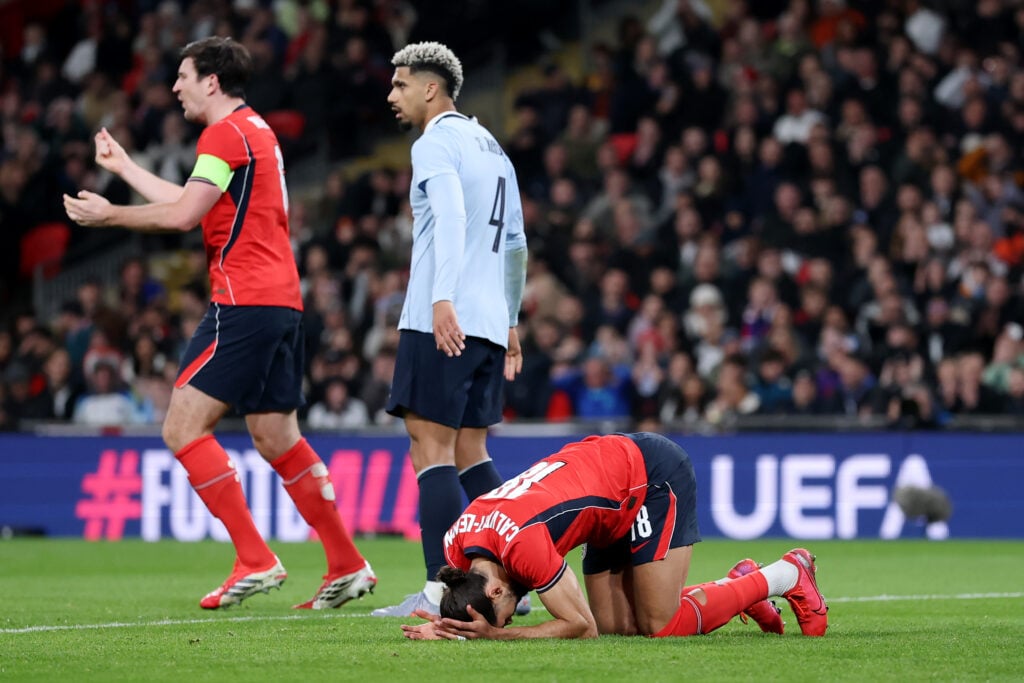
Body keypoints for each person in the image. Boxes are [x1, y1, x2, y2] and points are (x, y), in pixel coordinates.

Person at [63, 36, 375, 611]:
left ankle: (255, 559)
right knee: (277, 437)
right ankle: (347, 563)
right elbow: (195, 200)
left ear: (212, 81)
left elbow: (183, 216)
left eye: (182, 76)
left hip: (243, 301)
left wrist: (109, 215)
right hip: (283, 302)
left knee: (181, 428)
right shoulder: (254, 130)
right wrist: (126, 167)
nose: (174, 86)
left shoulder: (222, 133)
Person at [372, 42, 529, 617]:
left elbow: (454, 216)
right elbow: (515, 243)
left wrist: (441, 299)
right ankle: (509, 584)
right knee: (470, 449)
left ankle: (437, 595)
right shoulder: (494, 149)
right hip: (488, 322)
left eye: (400, 84)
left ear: (431, 88)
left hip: (445, 317)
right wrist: (510, 319)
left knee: (429, 448)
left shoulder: (435, 141)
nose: (392, 95)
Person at [401, 432, 828, 640]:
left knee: (661, 625)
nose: (515, 613)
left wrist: (498, 635)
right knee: (619, 626)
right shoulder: (457, 545)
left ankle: (787, 574)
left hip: (647, 478)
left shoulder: (523, 546)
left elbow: (580, 628)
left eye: (508, 613)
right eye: (511, 620)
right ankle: (740, 586)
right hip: (604, 490)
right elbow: (598, 628)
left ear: (495, 592)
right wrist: (449, 626)